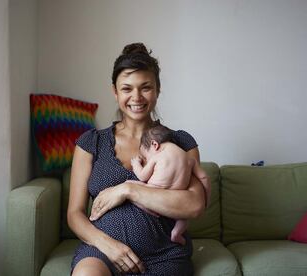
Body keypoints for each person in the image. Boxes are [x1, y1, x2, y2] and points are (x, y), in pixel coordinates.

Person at [67, 42, 206, 276]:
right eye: (127, 88)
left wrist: (128, 189)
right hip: (103, 252)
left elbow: (194, 205)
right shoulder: (91, 143)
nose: (136, 97)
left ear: (158, 89)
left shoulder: (180, 143)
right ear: (115, 91)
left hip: (164, 254)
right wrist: (108, 246)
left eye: (145, 87)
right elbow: (74, 214)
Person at [130, 123, 211, 246]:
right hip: (176, 202)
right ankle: (176, 234)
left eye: (145, 156)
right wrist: (206, 197)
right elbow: (204, 177)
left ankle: (142, 205)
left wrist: (136, 164)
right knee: (183, 218)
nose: (146, 159)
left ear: (154, 145)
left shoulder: (157, 157)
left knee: (129, 185)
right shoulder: (190, 159)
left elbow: (142, 176)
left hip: (153, 191)